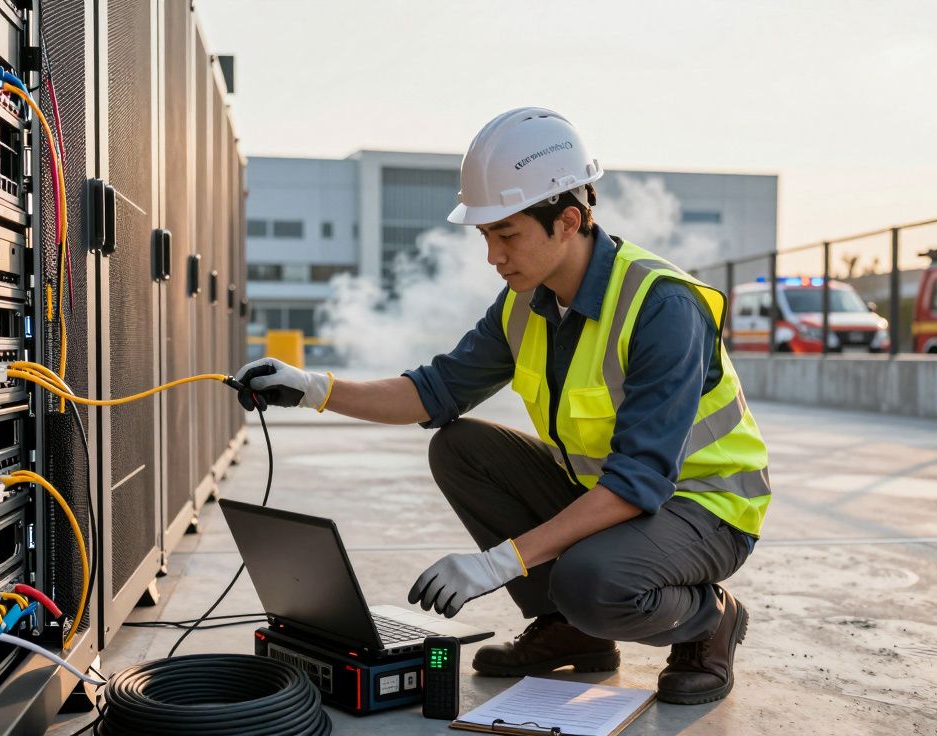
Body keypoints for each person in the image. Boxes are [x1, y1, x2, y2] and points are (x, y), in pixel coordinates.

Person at [234, 107, 770, 705]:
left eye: (507, 234)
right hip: (613, 494)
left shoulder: (661, 307)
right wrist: (315, 389)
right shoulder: (524, 303)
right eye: (486, 235)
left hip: (706, 507)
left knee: (592, 582)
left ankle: (708, 621)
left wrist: (499, 563)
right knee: (461, 447)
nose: (493, 255)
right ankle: (570, 631)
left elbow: (638, 481)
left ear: (568, 220)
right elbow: (432, 390)